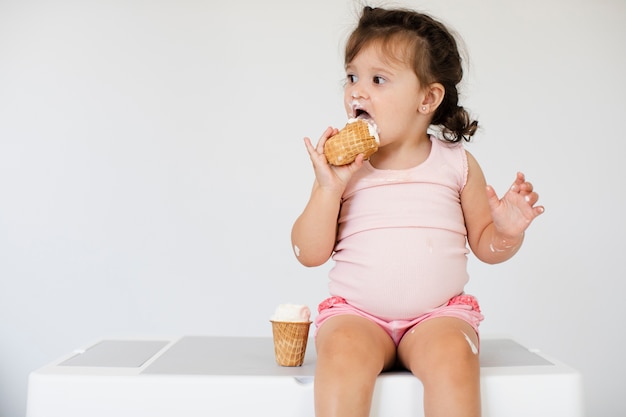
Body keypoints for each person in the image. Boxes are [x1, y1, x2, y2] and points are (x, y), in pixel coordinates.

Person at [291, 6, 544, 417]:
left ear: (427, 98)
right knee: (340, 353)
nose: (357, 91)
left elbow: (486, 246)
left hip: (436, 316)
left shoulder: (456, 164)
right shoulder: (339, 171)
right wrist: (326, 190)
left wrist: (507, 232)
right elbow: (309, 252)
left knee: (454, 357)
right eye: (352, 76)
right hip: (358, 315)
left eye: (378, 79)